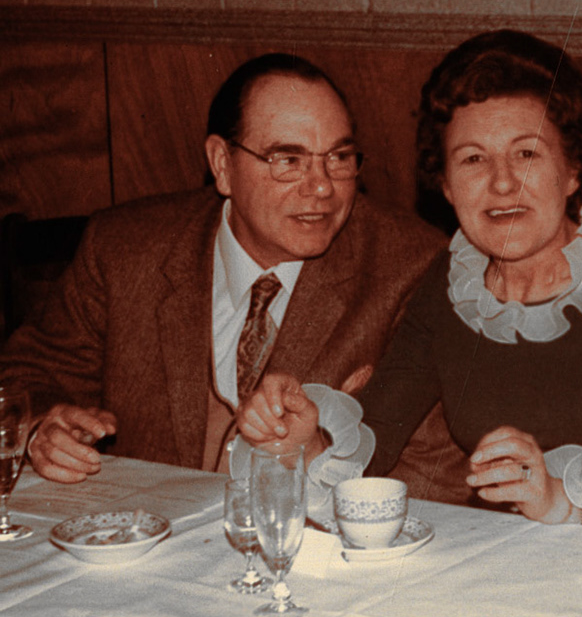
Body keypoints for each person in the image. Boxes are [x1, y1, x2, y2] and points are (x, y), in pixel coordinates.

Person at [3, 53, 444, 492]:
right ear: (222, 164)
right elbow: (27, 374)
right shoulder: (125, 250)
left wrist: (318, 454)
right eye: (288, 160)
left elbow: (433, 475)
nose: (323, 186)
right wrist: (43, 427)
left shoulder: (409, 265)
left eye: (340, 157)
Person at [339, 29, 582, 525]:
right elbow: (373, 439)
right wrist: (304, 439)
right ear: (446, 185)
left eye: (527, 153)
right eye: (473, 159)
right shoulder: (451, 287)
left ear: (573, 169)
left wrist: (561, 501)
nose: (502, 181)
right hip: (493, 556)